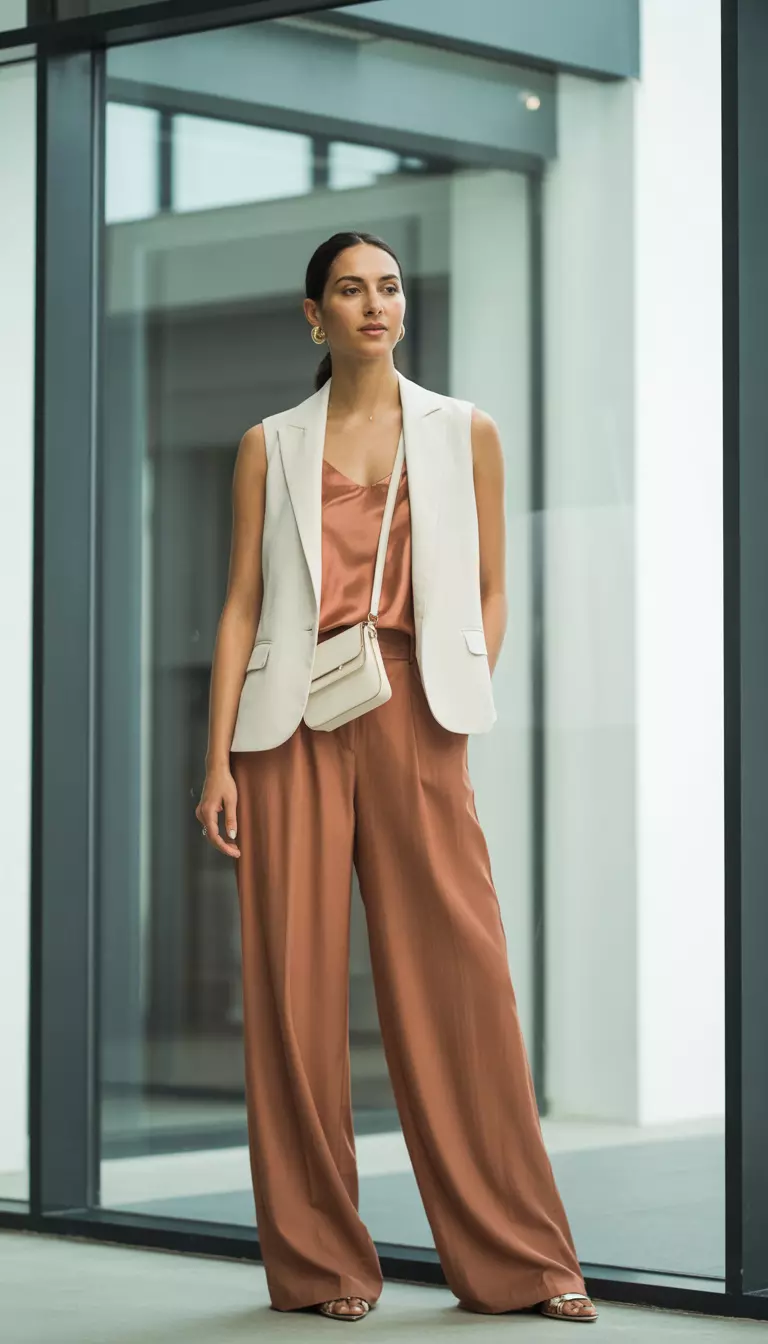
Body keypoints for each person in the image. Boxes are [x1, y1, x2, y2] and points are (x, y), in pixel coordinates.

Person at [196, 230, 598, 1326]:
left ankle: (523, 1260)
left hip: (416, 712)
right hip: (288, 732)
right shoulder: (267, 444)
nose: (375, 305)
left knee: (462, 986)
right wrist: (217, 758)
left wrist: (459, 692)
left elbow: (493, 588)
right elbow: (239, 604)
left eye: (389, 287)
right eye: (349, 290)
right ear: (313, 315)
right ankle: (323, 1265)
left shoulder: (464, 432)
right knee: (293, 1001)